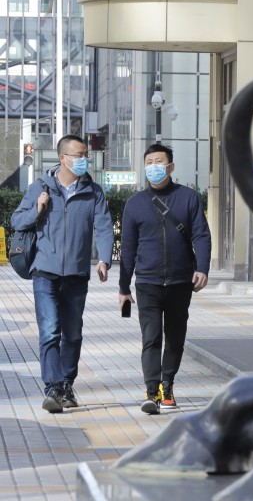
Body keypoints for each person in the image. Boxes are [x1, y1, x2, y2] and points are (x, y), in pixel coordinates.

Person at [11, 135, 114, 414]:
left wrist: (105, 258)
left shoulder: (93, 191)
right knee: (49, 331)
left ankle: (67, 383)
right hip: (45, 271)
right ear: (63, 158)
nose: (84, 160)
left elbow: (104, 226)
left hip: (77, 274)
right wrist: (38, 208)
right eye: (79, 155)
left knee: (73, 334)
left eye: (85, 155)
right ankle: (53, 388)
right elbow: (16, 221)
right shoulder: (40, 187)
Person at [118, 144, 211, 414]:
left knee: (175, 337)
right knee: (151, 337)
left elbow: (201, 235)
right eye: (149, 161)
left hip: (181, 281)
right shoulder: (134, 204)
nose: (153, 166)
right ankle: (152, 392)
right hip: (147, 282)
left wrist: (202, 268)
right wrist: (124, 287)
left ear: (170, 166)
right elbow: (127, 249)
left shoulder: (188, 198)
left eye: (159, 161)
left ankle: (167, 383)